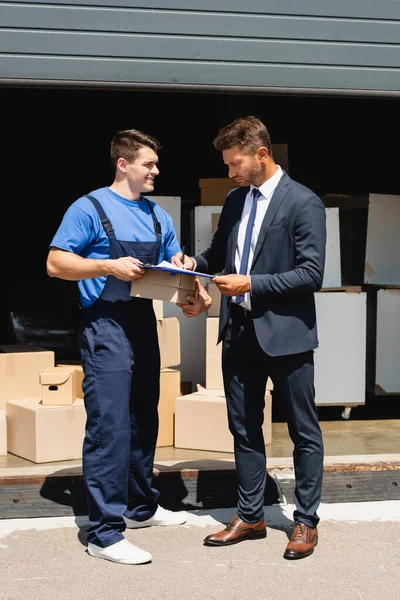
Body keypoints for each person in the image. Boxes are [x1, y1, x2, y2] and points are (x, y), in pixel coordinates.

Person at [46, 128, 209, 565]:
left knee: (144, 418)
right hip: (104, 326)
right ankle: (104, 532)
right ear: (124, 164)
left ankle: (140, 508)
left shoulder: (158, 216)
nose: (156, 170)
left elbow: (176, 267)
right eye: (148, 164)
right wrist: (105, 264)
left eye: (155, 164)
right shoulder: (90, 207)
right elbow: (55, 263)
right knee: (110, 426)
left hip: (142, 323)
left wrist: (192, 282)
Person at [173, 116, 326, 560]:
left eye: (235, 163)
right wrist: (192, 264)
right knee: (242, 429)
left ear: (262, 154)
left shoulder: (304, 202)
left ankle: (306, 522)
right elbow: (218, 253)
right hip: (238, 333)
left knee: (303, 432)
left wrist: (252, 284)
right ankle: (251, 515)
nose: (230, 173)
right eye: (227, 165)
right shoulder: (237, 199)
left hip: (288, 337)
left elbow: (312, 273)